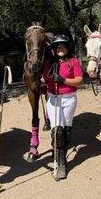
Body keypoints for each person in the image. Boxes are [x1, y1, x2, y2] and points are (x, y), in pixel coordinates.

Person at [43, 34, 83, 180]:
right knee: (57, 131)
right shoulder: (49, 62)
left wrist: (63, 80)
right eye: (57, 47)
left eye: (63, 46)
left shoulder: (73, 61)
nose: (60, 49)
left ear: (67, 47)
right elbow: (43, 80)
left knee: (66, 131)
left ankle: (62, 158)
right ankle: (60, 163)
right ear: (54, 49)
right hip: (54, 99)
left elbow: (79, 80)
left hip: (69, 99)